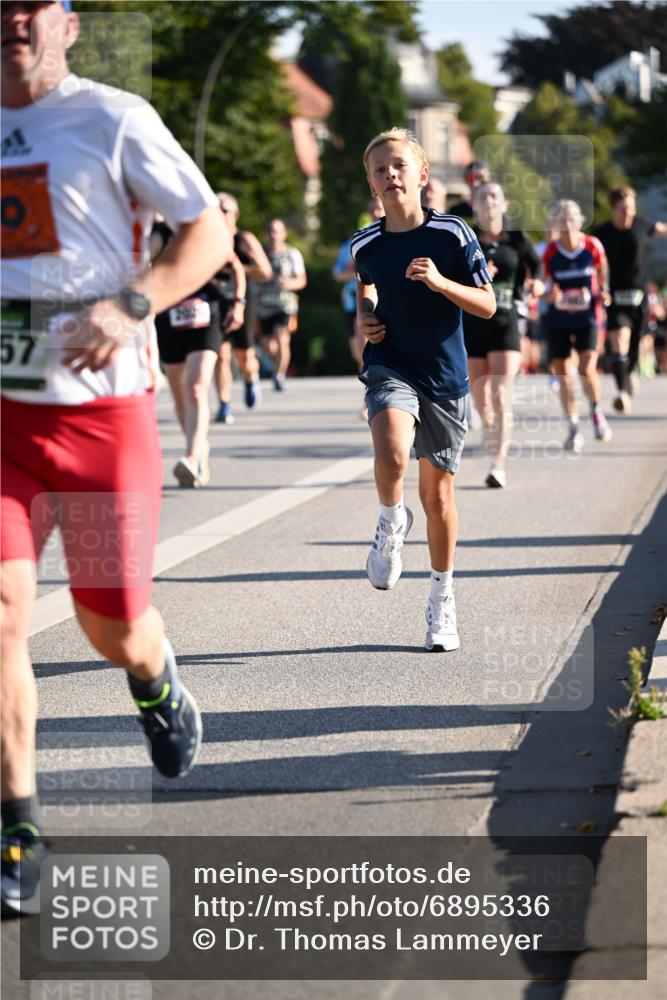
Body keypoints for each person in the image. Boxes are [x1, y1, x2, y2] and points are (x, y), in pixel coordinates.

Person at [0, 0, 232, 914]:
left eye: (30, 5)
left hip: (102, 420)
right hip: (2, 424)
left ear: (67, 24)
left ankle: (152, 674)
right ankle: (19, 824)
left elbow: (205, 230)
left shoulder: (113, 118)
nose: (12, 18)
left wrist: (133, 304)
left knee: (113, 627)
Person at [351, 127, 495, 652]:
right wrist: (365, 317)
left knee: (437, 496)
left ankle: (441, 597)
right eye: (379, 169)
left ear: (421, 175)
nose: (390, 175)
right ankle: (391, 520)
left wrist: (440, 283)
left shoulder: (453, 234)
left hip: (446, 378)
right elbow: (365, 284)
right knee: (390, 447)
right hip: (391, 364)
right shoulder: (365, 242)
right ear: (371, 183)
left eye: (398, 166)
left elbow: (487, 304)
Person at [464, 182, 544, 488]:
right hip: (472, 324)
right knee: (480, 397)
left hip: (506, 322)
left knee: (499, 394)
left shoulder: (516, 237)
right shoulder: (466, 237)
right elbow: (451, 273)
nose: (488, 201)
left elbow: (535, 265)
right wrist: (481, 274)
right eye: (482, 197)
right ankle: (490, 428)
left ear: (505, 204)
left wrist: (535, 283)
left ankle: (498, 464)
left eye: (494, 196)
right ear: (475, 205)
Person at [152, 211, 242, 484]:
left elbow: (235, 265)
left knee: (195, 386)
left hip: (205, 317)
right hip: (168, 317)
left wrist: (238, 303)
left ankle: (191, 456)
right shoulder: (155, 233)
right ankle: (200, 445)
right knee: (180, 395)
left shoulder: (204, 224)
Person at [542, 200, 612, 452]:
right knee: (563, 374)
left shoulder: (592, 245)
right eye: (562, 217)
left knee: (586, 368)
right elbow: (544, 285)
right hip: (559, 318)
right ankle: (572, 426)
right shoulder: (550, 252)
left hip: (588, 317)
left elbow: (603, 270)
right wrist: (549, 295)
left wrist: (604, 291)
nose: (567, 221)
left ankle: (595, 412)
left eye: (572, 217)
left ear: (580, 221)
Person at [594, 186, 667, 412]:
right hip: (615, 296)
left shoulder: (641, 225)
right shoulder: (603, 233)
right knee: (619, 343)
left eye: (632, 208)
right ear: (614, 208)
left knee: (635, 345)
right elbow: (591, 256)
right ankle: (622, 392)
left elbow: (661, 228)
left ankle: (630, 372)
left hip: (639, 298)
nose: (629, 213)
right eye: (624, 208)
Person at [214, 192, 273, 424]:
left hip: (243, 301)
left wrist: (239, 269)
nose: (221, 214)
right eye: (216, 209)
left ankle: (250, 378)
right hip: (217, 302)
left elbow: (266, 271)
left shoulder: (244, 240)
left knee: (244, 356)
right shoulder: (208, 241)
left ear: (235, 214)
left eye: (225, 210)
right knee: (220, 355)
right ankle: (224, 404)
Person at [332, 196, 384, 418]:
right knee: (359, 349)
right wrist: (354, 269)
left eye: (378, 208)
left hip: (384, 300)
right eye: (372, 209)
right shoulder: (357, 240)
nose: (375, 213)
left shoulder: (394, 235)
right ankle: (370, 390)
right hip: (355, 301)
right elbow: (338, 273)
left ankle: (375, 395)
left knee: (369, 345)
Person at [255, 218, 307, 391]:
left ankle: (279, 376)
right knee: (268, 346)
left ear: (283, 234)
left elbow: (302, 280)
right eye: (270, 230)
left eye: (277, 231)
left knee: (282, 337)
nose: (273, 235)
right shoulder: (259, 253)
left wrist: (290, 284)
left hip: (285, 304)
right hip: (263, 305)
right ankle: (275, 363)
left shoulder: (292, 254)